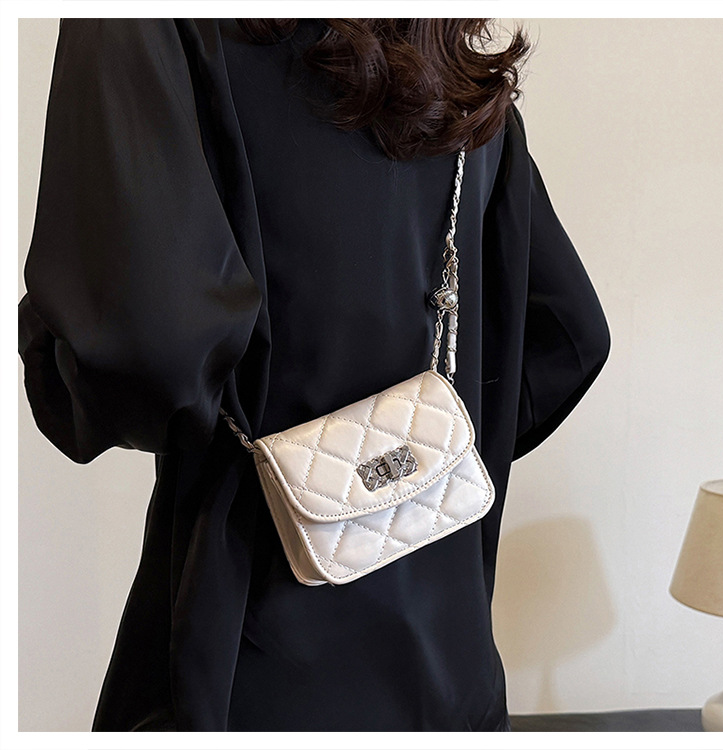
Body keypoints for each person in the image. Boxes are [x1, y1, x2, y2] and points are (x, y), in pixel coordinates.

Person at [18, 18, 611, 732]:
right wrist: (421, 461)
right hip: (451, 659)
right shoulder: (456, 75)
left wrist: (50, 352)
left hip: (252, 656)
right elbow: (572, 336)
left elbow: (148, 351)